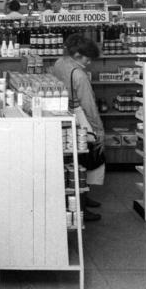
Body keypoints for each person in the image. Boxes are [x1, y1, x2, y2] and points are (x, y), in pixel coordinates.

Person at [53, 33, 104, 221]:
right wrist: (98, 130)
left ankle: (83, 197)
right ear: (77, 56)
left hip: (63, 113)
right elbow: (89, 105)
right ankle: (81, 205)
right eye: (87, 58)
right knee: (85, 159)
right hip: (79, 116)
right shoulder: (80, 75)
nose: (89, 62)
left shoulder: (59, 62)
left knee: (75, 159)